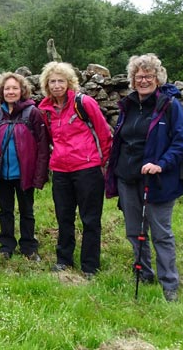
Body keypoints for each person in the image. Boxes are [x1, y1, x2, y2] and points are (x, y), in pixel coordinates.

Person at [105, 54, 183, 302]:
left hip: (157, 180)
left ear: (158, 78)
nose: (143, 80)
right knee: (134, 231)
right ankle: (143, 273)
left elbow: (180, 145)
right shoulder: (128, 105)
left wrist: (160, 164)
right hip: (127, 177)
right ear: (132, 79)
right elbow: (121, 140)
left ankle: (170, 284)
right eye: (139, 76)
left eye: (148, 75)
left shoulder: (169, 106)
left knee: (161, 233)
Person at [38, 61, 112, 278]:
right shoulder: (46, 110)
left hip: (87, 168)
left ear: (69, 82)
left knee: (90, 219)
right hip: (61, 170)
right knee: (64, 217)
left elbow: (104, 133)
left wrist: (101, 162)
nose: (57, 85)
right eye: (52, 81)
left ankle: (90, 266)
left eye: (61, 81)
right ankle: (64, 260)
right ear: (47, 85)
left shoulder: (84, 103)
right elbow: (51, 139)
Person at [0, 73, 49, 261]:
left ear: (22, 90)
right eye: (7, 88)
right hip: (3, 174)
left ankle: (29, 246)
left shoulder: (33, 113)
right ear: (1, 92)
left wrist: (39, 174)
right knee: (5, 211)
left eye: (14, 88)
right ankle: (6, 245)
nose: (11, 92)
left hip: (24, 174)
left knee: (26, 211)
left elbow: (42, 146)